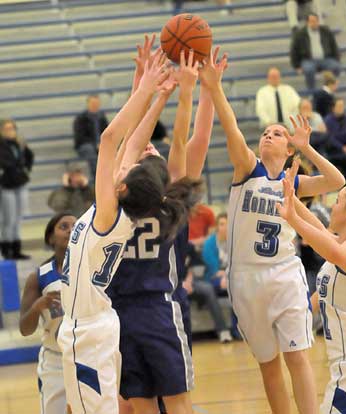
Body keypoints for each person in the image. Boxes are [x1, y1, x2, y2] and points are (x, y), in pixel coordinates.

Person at [200, 48, 345, 414]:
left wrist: (308, 147)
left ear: (287, 146)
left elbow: (336, 180)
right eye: (265, 132)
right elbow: (231, 127)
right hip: (245, 277)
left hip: (283, 273)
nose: (268, 136)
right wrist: (215, 89)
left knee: (297, 358)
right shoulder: (246, 168)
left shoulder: (292, 181)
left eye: (277, 133)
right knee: (268, 367)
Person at [58, 50, 202, 414]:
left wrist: (149, 90)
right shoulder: (119, 209)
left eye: (125, 171)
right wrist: (158, 94)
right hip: (107, 321)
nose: (121, 166)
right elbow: (128, 145)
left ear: (121, 188)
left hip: (90, 330)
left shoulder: (107, 215)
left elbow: (112, 141)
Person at [108, 39, 227, 414]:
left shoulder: (113, 204)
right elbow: (166, 140)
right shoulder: (170, 204)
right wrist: (194, 90)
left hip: (123, 309)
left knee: (140, 400)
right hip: (160, 305)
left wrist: (144, 85)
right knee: (168, 401)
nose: (146, 149)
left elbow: (127, 141)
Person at [277, 162, 346, 413]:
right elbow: (319, 230)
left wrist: (293, 218)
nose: (332, 206)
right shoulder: (341, 243)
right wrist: (286, 192)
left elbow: (330, 249)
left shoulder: (343, 251)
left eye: (338, 201)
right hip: (341, 374)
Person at [19, 213, 77, 414]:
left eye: (76, 226)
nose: (71, 229)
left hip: (87, 355)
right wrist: (37, 306)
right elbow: (25, 329)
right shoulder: (39, 277)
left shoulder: (95, 270)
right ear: (51, 238)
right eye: (64, 226)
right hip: (55, 360)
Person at [201, 212, 242, 340]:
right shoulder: (209, 243)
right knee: (232, 286)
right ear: (217, 226)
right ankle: (231, 330)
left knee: (237, 289)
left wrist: (227, 275)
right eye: (221, 224)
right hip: (212, 279)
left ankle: (238, 330)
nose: (224, 227)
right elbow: (213, 268)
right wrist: (225, 276)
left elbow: (238, 263)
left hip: (230, 278)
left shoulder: (235, 242)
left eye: (227, 224)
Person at [0, 119, 34, 260]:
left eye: (12, 128)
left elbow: (29, 156)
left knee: (19, 217)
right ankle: (6, 249)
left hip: (20, 183)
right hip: (7, 185)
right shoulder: (1, 145)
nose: (10, 131)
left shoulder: (18, 143)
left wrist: (26, 169)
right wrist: (18, 166)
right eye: (7, 129)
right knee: (9, 219)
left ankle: (16, 249)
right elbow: (7, 163)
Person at [290, 13, 341, 91]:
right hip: (308, 60)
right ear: (307, 22)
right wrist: (297, 66)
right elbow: (294, 51)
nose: (314, 23)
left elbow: (334, 45)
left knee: (335, 66)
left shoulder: (326, 31)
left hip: (325, 59)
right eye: (312, 21)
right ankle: (312, 92)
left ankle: (330, 89)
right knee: (309, 70)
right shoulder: (300, 34)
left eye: (316, 21)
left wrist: (336, 59)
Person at [73, 95, 109, 180]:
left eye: (96, 103)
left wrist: (102, 144)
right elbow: (80, 138)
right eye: (93, 103)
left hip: (99, 145)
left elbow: (107, 132)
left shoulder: (102, 117)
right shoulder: (80, 119)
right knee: (90, 151)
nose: (95, 105)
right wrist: (95, 145)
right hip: (85, 145)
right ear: (88, 104)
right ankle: (97, 178)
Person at [324, 99, 346, 180]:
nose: (341, 108)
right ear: (333, 108)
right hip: (334, 150)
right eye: (339, 106)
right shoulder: (328, 120)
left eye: (342, 106)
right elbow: (330, 138)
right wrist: (342, 147)